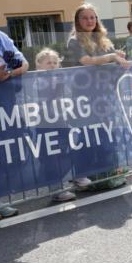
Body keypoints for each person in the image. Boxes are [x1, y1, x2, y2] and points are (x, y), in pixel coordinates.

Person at [63, 3, 130, 190]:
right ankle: (81, 175)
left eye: (92, 17)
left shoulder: (102, 38)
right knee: (86, 137)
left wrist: (118, 54)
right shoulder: (74, 41)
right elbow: (87, 61)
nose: (89, 21)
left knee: (105, 135)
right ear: (77, 21)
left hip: (103, 95)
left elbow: (110, 56)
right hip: (84, 97)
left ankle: (106, 172)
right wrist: (112, 58)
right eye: (85, 18)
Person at [0, 0, 29, 221]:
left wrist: (8, 75)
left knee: (1, 154)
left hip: (4, 105)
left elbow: (23, 63)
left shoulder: (2, 38)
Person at [34, 49, 78, 202]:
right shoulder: (35, 80)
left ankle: (71, 178)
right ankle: (56, 189)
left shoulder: (61, 79)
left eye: (55, 63)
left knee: (65, 151)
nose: (52, 66)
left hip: (62, 121)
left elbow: (67, 96)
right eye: (48, 63)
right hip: (44, 124)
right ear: (39, 65)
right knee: (50, 157)